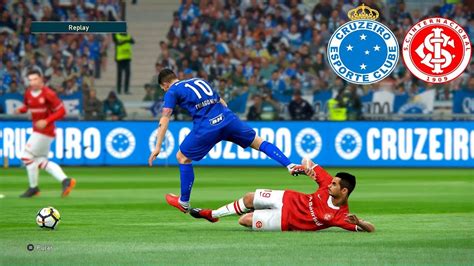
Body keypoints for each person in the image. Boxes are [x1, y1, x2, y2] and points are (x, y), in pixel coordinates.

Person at [148, 69, 306, 213]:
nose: (164, 91)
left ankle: (184, 202)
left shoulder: (172, 90)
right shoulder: (199, 80)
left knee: (182, 157)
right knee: (258, 142)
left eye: (163, 88)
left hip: (207, 126)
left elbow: (164, 119)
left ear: (166, 84)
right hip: (228, 119)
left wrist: (157, 146)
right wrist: (228, 120)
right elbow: (222, 102)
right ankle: (290, 165)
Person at [190, 158, 375, 233]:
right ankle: (212, 215)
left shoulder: (341, 216)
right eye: (332, 181)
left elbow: (371, 229)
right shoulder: (326, 183)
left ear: (344, 191)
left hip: (285, 221)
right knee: (249, 197)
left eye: (335, 184)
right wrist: (305, 169)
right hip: (288, 198)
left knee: (244, 220)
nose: (330, 185)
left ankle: (254, 210)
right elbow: (307, 161)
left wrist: (359, 222)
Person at [15, 69, 76, 198]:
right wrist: (20, 110)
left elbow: (62, 111)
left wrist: (46, 121)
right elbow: (27, 106)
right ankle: (66, 180)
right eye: (30, 80)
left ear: (41, 79)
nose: (32, 82)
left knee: (26, 156)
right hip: (39, 131)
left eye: (35, 79)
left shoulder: (49, 94)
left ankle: (33, 188)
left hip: (46, 131)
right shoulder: (28, 93)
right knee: (40, 160)